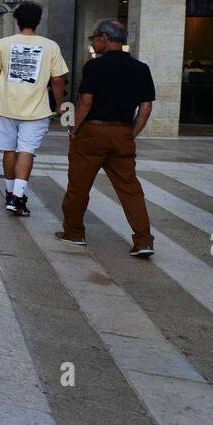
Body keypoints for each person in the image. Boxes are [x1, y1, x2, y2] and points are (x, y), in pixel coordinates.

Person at [55, 20, 156, 257]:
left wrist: (73, 129)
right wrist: (131, 134)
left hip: (92, 132)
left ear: (104, 37)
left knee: (79, 186)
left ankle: (74, 232)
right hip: (122, 133)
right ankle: (143, 241)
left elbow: (85, 102)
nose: (93, 43)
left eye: (94, 38)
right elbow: (146, 108)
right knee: (130, 189)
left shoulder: (94, 67)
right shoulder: (141, 68)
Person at [0, 0, 68, 218]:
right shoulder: (50, 46)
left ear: (16, 21)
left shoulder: (3, 44)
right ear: (38, 22)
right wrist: (59, 104)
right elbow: (58, 79)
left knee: (8, 150)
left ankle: (9, 193)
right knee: (26, 151)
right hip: (36, 109)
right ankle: (18, 197)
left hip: (5, 106)